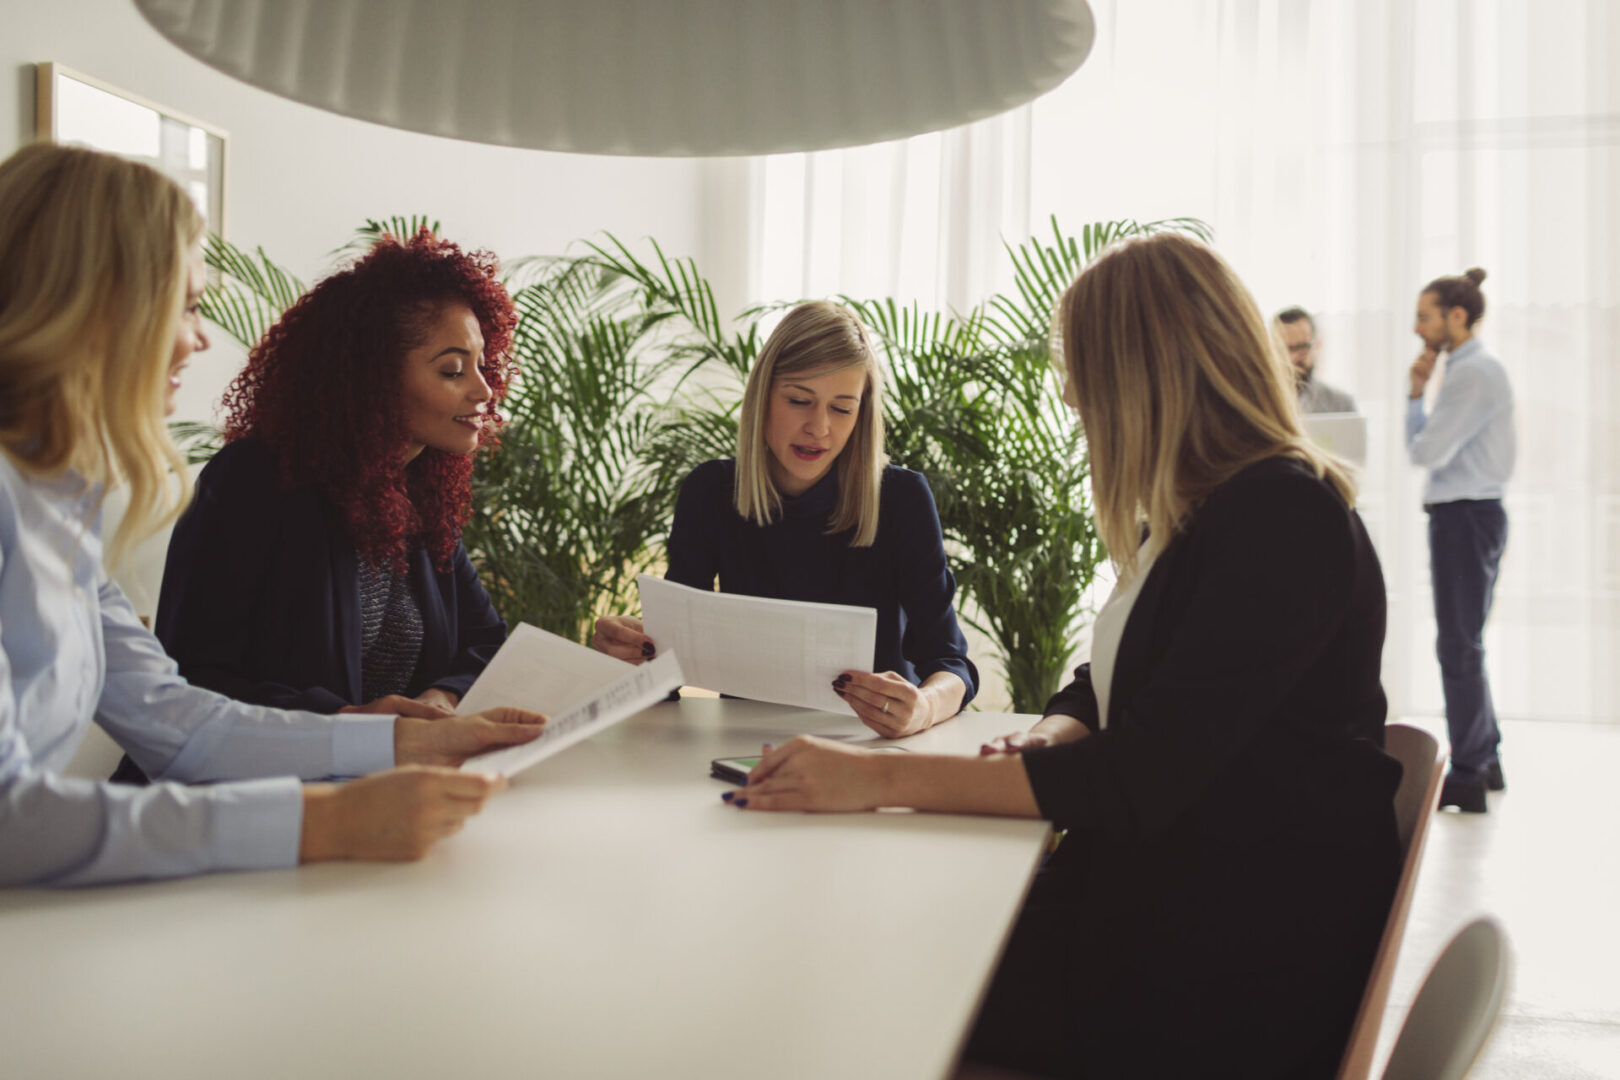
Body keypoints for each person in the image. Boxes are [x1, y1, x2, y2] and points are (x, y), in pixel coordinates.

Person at [723, 236, 1402, 1078]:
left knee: (859, 969)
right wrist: (1049, 735)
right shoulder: (1202, 515)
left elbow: (1141, 774)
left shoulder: (1280, 521)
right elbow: (1113, 683)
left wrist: (873, 778)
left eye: (1085, 377)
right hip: (1182, 903)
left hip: (1227, 960)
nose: (1076, 401)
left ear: (1145, 373)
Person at [0, 143, 544, 886]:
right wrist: (326, 820)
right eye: (186, 306)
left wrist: (404, 744)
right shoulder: (244, 483)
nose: (199, 337)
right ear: (94, 305)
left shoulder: (60, 506)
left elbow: (178, 723)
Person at [110, 230, 517, 786]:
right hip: (229, 805)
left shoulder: (418, 492)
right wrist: (349, 725)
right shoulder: (254, 480)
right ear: (372, 378)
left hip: (370, 796)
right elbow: (196, 680)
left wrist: (440, 701)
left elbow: (485, 640)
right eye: (452, 370)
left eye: (482, 364)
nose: (483, 389)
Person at [592, 301, 977, 737]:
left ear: (861, 415)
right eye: (799, 400)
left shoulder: (902, 499)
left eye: (842, 408)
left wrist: (925, 706)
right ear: (763, 398)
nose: (819, 428)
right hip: (741, 745)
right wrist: (633, 655)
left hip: (869, 749)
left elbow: (951, 664)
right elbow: (669, 671)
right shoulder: (711, 492)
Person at [1406, 268, 1514, 813]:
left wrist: (1414, 397)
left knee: (1458, 646)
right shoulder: (1470, 369)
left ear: (1456, 315)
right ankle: (1484, 758)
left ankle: (1469, 774)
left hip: (1465, 517)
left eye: (1423, 316)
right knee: (1465, 642)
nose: (1415, 327)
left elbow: (1425, 452)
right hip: (1470, 516)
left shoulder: (1472, 374)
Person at [1275, 305, 1357, 413]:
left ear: (1317, 345)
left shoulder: (1341, 404)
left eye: (1302, 347)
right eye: (1285, 349)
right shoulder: (1258, 402)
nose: (1293, 358)